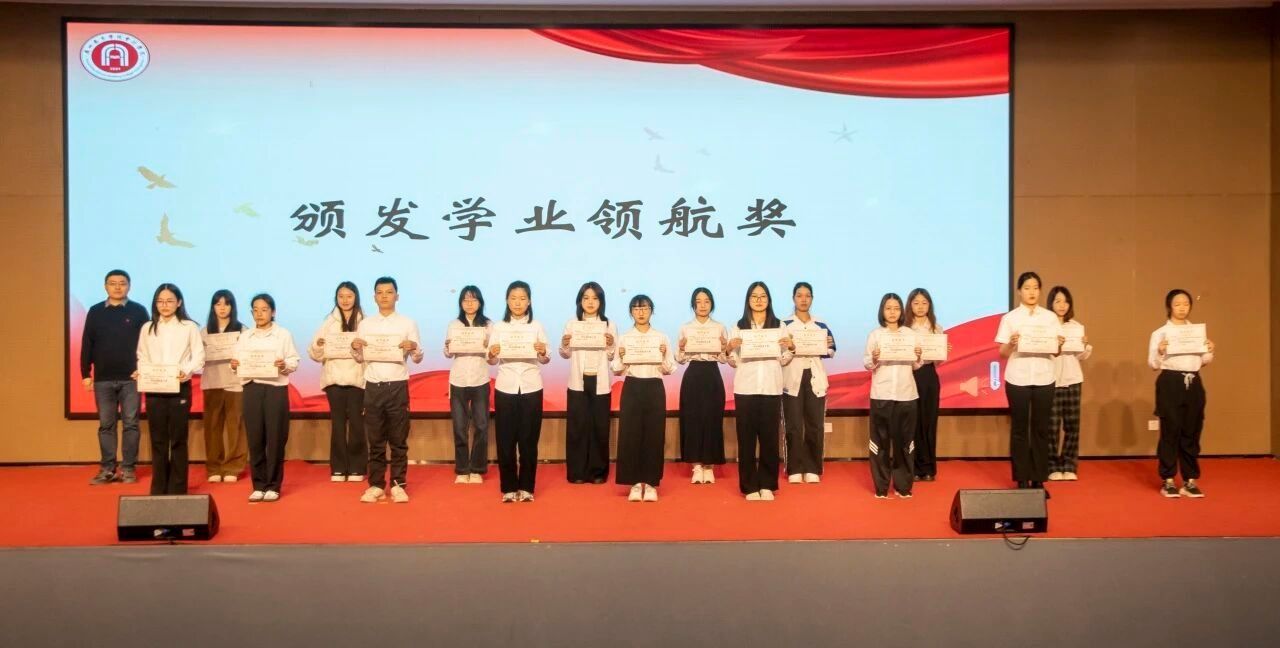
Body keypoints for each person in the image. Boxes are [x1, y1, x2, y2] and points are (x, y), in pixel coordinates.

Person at [353, 277, 423, 504]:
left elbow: (418, 357)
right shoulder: (365, 325)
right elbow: (359, 358)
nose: (384, 296)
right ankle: (375, 485)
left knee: (398, 441)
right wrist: (354, 347)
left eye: (389, 292)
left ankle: (398, 484)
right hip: (372, 386)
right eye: (380, 292)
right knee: (375, 442)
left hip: (397, 386)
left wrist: (414, 347)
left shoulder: (407, 323)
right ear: (374, 297)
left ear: (397, 296)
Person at [995, 271, 1063, 496]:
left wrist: (1059, 343)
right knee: (1020, 429)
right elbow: (1002, 353)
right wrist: (1011, 343)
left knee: (1042, 429)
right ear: (1019, 291)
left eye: (1035, 288)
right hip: (1018, 378)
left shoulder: (1050, 318)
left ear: (1040, 291)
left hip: (1045, 377)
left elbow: (1056, 351)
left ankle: (1039, 480)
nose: (1031, 292)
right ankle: (1022, 479)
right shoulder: (1011, 318)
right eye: (1027, 288)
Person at [726, 281, 794, 501]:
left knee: (769, 439)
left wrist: (791, 347)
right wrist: (729, 349)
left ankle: (767, 484)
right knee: (746, 440)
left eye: (763, 296)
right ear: (748, 300)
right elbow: (734, 361)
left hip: (771, 388)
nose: (758, 300)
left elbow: (784, 359)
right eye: (754, 296)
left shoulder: (779, 326)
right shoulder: (739, 327)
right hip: (745, 388)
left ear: (769, 300)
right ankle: (749, 486)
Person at [134, 283, 204, 495]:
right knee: (158, 440)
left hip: (179, 389)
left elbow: (199, 356)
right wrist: (142, 371)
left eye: (169, 301)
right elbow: (142, 355)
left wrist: (186, 370)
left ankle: (178, 488)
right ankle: (159, 488)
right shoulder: (147, 327)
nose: (164, 305)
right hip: (154, 390)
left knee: (178, 440)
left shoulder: (189, 327)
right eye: (160, 301)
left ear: (179, 302)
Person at [82, 269, 148, 485]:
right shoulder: (95, 311)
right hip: (103, 379)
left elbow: (148, 343)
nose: (118, 287)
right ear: (105, 286)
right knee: (106, 425)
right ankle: (107, 468)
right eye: (113, 283)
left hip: (132, 378)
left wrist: (145, 370)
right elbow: (87, 343)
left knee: (131, 424)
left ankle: (128, 468)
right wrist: (85, 373)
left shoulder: (139, 311)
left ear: (129, 286)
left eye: (122, 283)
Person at [231, 294, 299, 502]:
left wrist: (284, 365)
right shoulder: (245, 336)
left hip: (275, 389)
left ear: (273, 312)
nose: (259, 314)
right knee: (255, 438)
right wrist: (234, 365)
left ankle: (273, 485)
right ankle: (258, 485)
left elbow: (293, 361)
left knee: (275, 438)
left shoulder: (283, 334)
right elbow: (237, 362)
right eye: (255, 310)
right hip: (252, 388)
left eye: (264, 309)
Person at [1148, 289, 1215, 498]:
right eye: (1177, 304)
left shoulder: (1196, 332)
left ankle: (1190, 480)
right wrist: (1160, 351)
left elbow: (1204, 361)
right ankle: (1168, 480)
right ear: (1169, 307)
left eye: (1186, 304)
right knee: (1170, 431)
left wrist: (1210, 349)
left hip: (1193, 381)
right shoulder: (1160, 333)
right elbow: (1152, 364)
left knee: (1192, 431)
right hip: (1170, 381)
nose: (1182, 308)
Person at [488, 281, 550, 503]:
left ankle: (526, 487)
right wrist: (492, 352)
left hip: (532, 386)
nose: (517, 303)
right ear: (507, 301)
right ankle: (508, 487)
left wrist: (542, 351)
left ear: (529, 301)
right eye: (513, 298)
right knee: (505, 440)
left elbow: (546, 357)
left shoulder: (537, 326)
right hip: (505, 386)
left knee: (528, 440)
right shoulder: (499, 327)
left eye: (522, 298)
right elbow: (491, 359)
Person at [613, 295, 675, 502]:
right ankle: (634, 483)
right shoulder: (625, 338)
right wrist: (622, 357)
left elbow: (670, 368)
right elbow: (616, 369)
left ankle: (650, 483)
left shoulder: (661, 337)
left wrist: (663, 355)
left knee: (654, 435)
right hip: (632, 386)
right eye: (636, 309)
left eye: (645, 308)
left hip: (654, 387)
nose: (641, 312)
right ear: (631, 312)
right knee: (630, 435)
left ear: (652, 311)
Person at [863, 293, 922, 498]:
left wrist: (918, 356)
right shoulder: (875, 335)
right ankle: (881, 487)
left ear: (901, 311)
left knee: (904, 443)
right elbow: (867, 363)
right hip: (881, 394)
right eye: (888, 308)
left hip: (907, 395)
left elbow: (917, 365)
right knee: (880, 443)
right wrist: (875, 358)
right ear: (882, 311)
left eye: (896, 308)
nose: (892, 312)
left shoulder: (910, 335)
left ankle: (903, 486)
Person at [308, 281, 367, 482]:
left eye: (349, 296)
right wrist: (319, 345)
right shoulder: (328, 322)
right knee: (338, 425)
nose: (345, 300)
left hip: (357, 380)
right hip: (333, 380)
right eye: (341, 296)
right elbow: (313, 353)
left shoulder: (365, 322)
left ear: (356, 297)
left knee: (357, 425)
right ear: (336, 298)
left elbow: (371, 351)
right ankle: (339, 468)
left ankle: (357, 467)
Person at [559, 281, 617, 485]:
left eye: (595, 298)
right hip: (578, 381)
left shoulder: (609, 325)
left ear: (601, 301)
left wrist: (611, 344)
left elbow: (613, 356)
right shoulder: (572, 324)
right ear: (580, 301)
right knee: (577, 427)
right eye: (586, 298)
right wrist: (564, 344)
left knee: (599, 427)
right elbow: (565, 353)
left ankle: (598, 472)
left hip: (600, 382)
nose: (590, 302)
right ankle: (577, 472)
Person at [782, 282, 836, 485]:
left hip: (815, 378)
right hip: (792, 378)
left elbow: (831, 349)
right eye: (799, 295)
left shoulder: (820, 324)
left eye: (807, 296)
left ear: (812, 298)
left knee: (815, 425)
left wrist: (828, 345)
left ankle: (813, 467)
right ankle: (795, 468)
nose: (803, 299)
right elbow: (780, 353)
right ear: (793, 298)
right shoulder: (784, 324)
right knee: (793, 425)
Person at [676, 287, 728, 484]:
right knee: (693, 419)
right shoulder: (686, 328)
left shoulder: (720, 327)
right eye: (698, 301)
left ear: (711, 304)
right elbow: (680, 359)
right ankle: (697, 466)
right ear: (693, 305)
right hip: (693, 374)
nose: (703, 305)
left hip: (713, 374)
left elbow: (724, 359)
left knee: (712, 418)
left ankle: (709, 465)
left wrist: (724, 348)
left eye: (707, 301)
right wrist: (681, 348)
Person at [444, 285, 493, 484]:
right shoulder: (454, 324)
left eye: (473, 299)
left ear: (480, 302)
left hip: (480, 379)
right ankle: (463, 469)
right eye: (465, 299)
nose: (469, 303)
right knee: (459, 427)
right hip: (458, 380)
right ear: (460, 303)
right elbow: (448, 354)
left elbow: (492, 358)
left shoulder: (488, 325)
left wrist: (488, 347)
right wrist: (448, 346)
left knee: (481, 425)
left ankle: (478, 469)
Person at [199, 290, 248, 484]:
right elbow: (196, 356)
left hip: (235, 384)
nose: (222, 308)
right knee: (212, 428)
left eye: (226, 304)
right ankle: (214, 467)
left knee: (236, 427)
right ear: (213, 307)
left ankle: (233, 467)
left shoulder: (242, 330)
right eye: (218, 304)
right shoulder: (204, 332)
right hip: (212, 383)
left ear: (232, 307)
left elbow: (248, 356)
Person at [1047, 286, 1092, 482]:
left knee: (1072, 425)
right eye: (1057, 301)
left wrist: (1084, 345)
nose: (1062, 305)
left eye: (1065, 301)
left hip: (1073, 378)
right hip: (1051, 379)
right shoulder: (1046, 326)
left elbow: (1081, 356)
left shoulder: (1076, 326)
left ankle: (1069, 465)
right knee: (1052, 426)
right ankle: (1051, 465)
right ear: (1050, 304)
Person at [904, 288, 945, 482]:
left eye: (924, 303)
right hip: (909, 375)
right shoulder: (904, 329)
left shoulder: (936, 328)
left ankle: (928, 468)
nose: (920, 307)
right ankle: (912, 467)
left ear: (929, 305)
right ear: (910, 305)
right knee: (912, 422)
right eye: (916, 303)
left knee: (929, 421)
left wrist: (943, 351)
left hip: (929, 375)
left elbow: (939, 361)